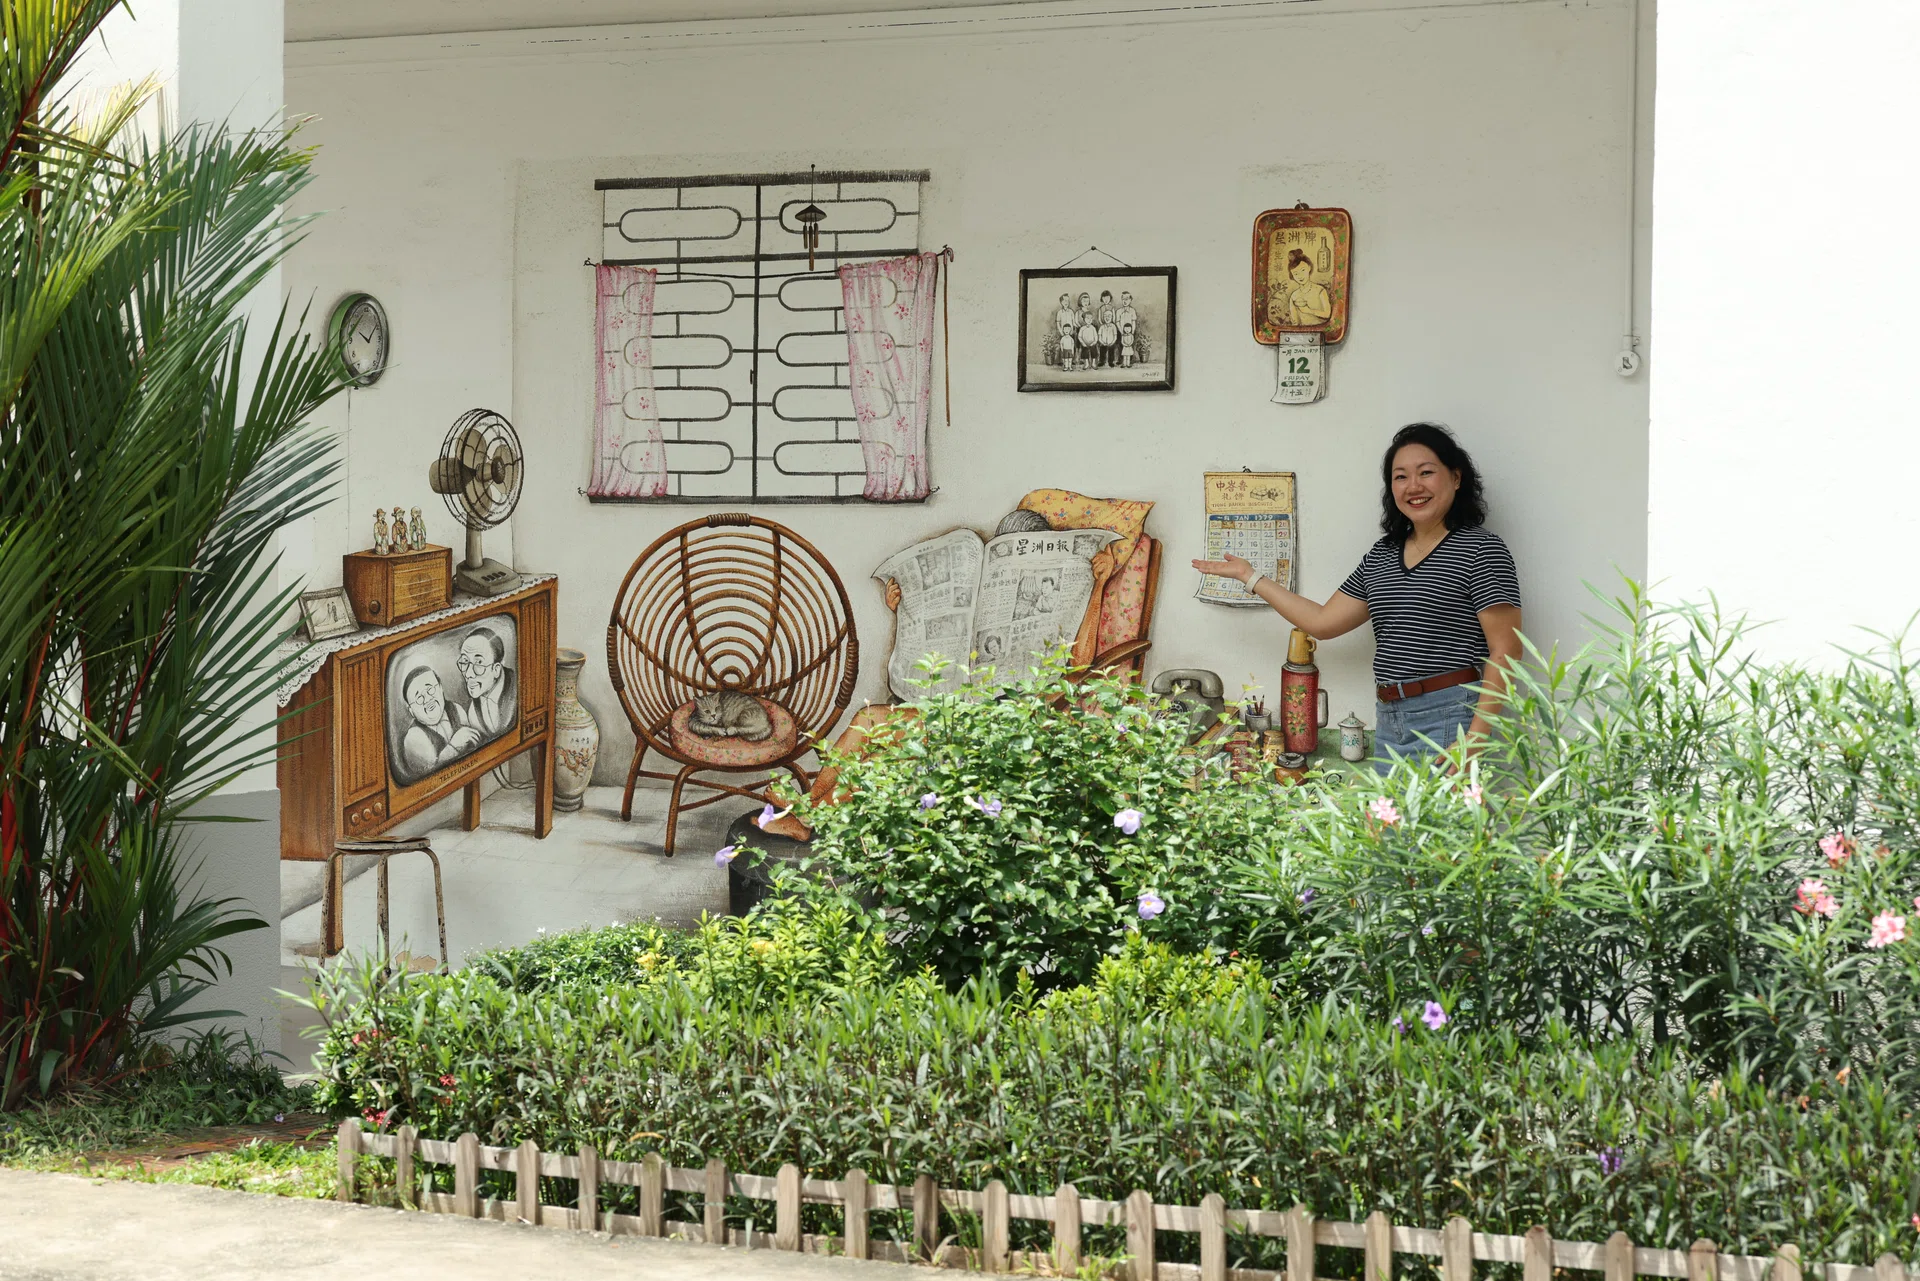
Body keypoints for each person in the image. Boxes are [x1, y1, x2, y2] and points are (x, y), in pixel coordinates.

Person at [1191, 423, 1522, 767]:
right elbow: (1323, 622)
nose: (1413, 486)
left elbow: (1507, 650)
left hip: (1450, 716)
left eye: (1426, 472)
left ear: (1455, 477)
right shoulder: (1383, 555)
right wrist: (1250, 576)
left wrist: (1475, 739)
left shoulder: (1481, 549)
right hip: (1390, 717)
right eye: (1400, 477)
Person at [400, 665, 479, 777]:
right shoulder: (413, 737)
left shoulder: (456, 709)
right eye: (419, 698)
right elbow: (431, 773)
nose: (428, 699)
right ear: (411, 711)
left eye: (430, 690)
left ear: (440, 688)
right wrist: (454, 745)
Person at [452, 625, 517, 740]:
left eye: (479, 662)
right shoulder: (473, 713)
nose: (468, 674)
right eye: (465, 661)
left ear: (496, 669)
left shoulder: (518, 691)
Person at [1280, 247, 1333, 327]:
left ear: (1309, 268)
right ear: (1292, 276)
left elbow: (1327, 314)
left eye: (1303, 270)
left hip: (1320, 328)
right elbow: (1295, 322)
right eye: (1296, 273)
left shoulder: (1320, 290)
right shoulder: (1294, 296)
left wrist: (1309, 311)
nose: (1300, 276)